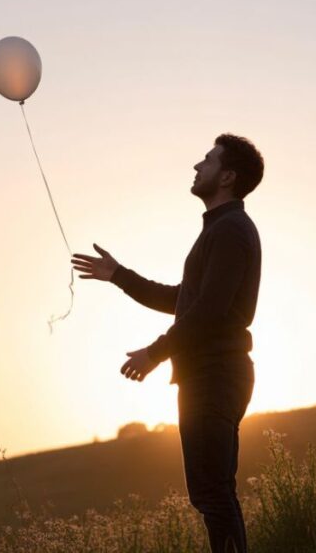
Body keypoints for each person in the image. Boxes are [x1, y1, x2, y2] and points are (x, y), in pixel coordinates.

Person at [71, 133, 264, 552]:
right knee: (210, 494)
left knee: (213, 494)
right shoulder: (221, 229)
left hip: (216, 374)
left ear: (227, 176)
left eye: (208, 160)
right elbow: (183, 300)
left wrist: (154, 353)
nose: (197, 166)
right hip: (206, 374)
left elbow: (208, 311)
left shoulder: (231, 230)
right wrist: (118, 274)